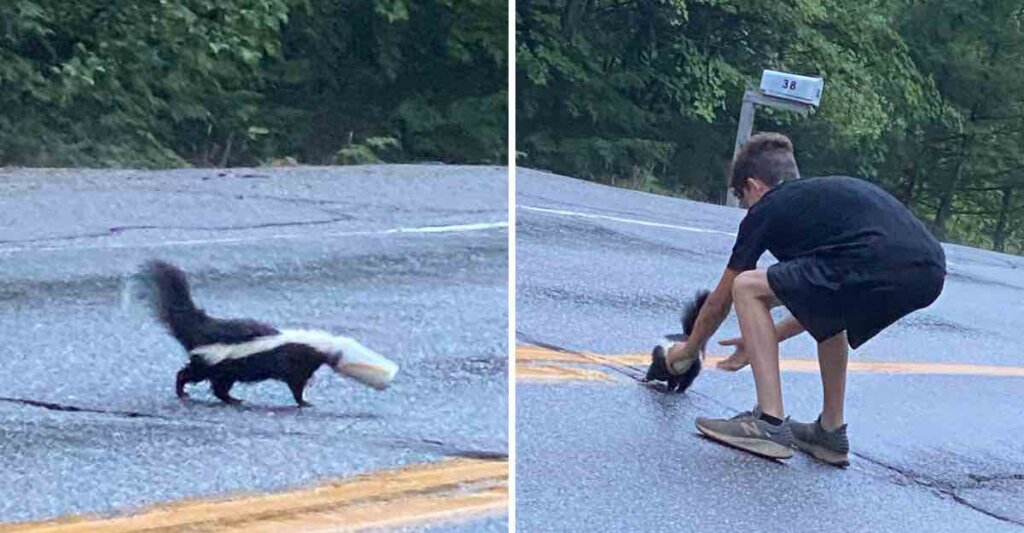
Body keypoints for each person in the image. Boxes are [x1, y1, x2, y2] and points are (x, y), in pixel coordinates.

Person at [665, 132, 946, 465]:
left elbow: (720, 299)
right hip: (929, 270)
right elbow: (817, 298)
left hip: (878, 258)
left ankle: (769, 422)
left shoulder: (769, 207)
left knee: (746, 285)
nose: (745, 209)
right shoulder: (819, 206)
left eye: (742, 199)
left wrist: (688, 350)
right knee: (829, 309)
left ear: (753, 186)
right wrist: (762, 339)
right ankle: (830, 432)